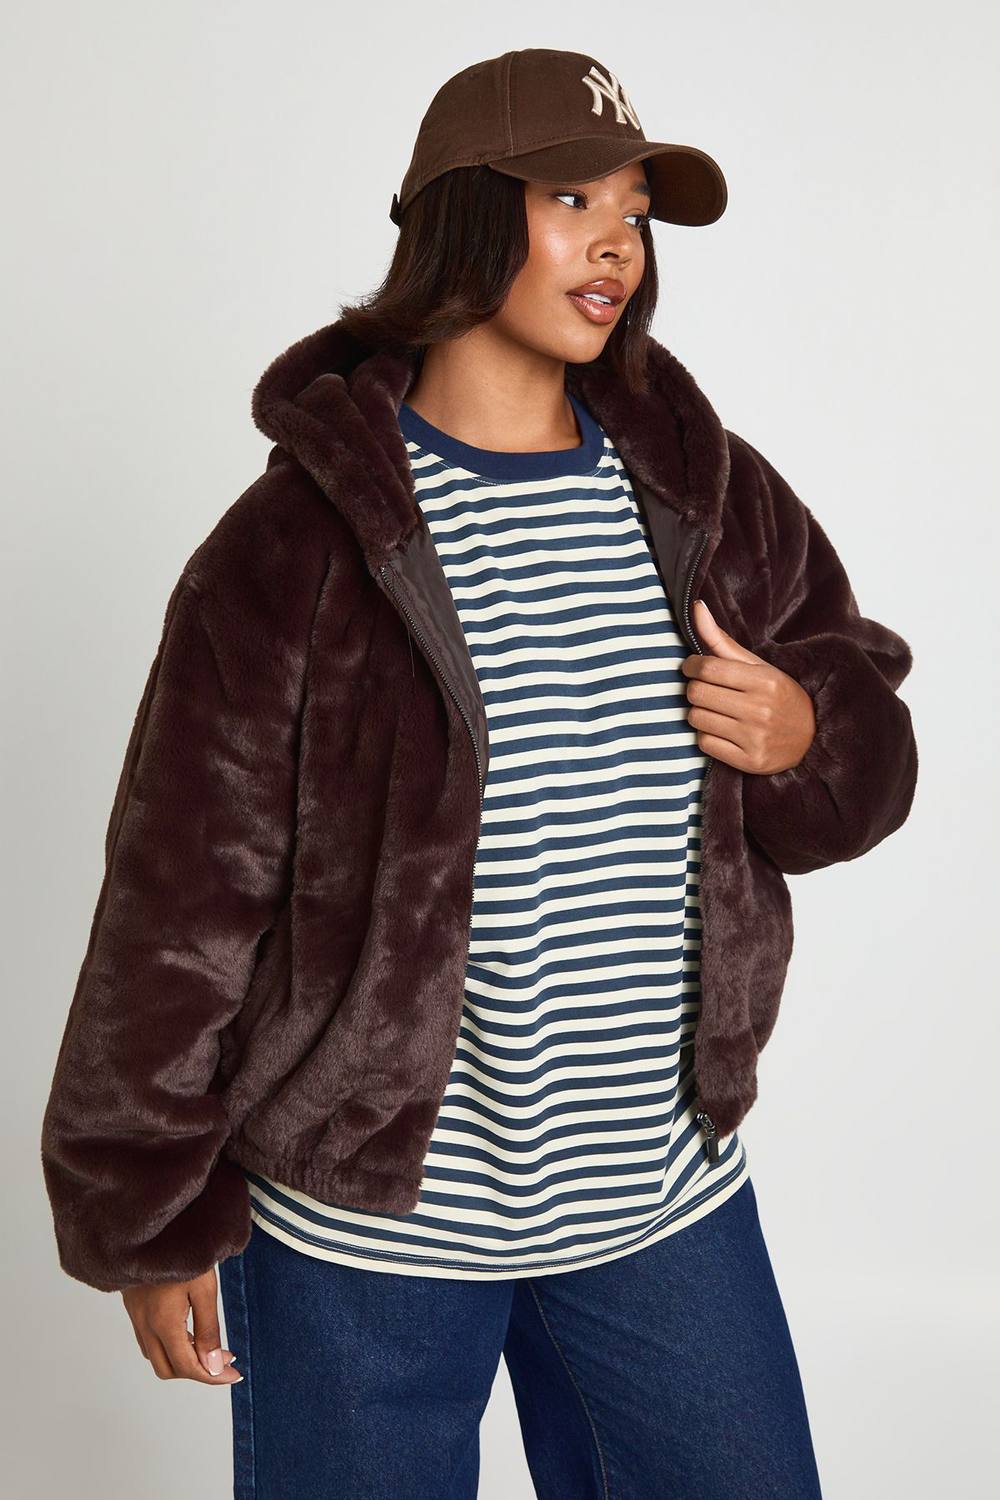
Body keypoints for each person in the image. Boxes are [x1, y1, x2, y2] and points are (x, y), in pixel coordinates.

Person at [40, 48, 918, 1498]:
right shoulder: (298, 542)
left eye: (634, 211)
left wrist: (811, 736)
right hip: (361, 1231)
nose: (617, 244)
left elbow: (864, 734)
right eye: (571, 200)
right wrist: (146, 1210)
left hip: (658, 1205)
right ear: (457, 218)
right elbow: (179, 894)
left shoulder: (704, 493)